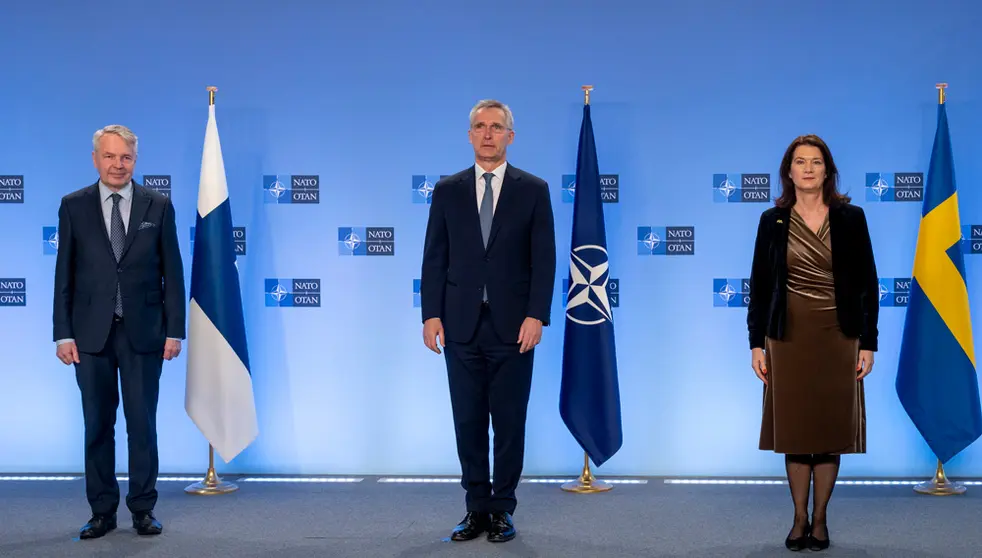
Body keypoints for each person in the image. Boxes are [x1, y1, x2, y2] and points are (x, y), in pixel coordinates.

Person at [420, 99, 556, 543]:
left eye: (496, 127)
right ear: (469, 135)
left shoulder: (532, 189)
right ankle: (475, 508)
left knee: (510, 421)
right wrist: (431, 315)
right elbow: (434, 258)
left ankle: (503, 509)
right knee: (468, 421)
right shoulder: (447, 190)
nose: (487, 134)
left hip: (514, 327)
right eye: (479, 126)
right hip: (460, 326)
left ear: (510, 136)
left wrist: (537, 314)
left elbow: (544, 260)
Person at [747, 134, 879, 552]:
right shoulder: (772, 220)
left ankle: (820, 520)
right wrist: (756, 343)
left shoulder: (851, 218)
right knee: (797, 430)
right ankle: (798, 517)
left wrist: (868, 342)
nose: (808, 169)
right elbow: (761, 286)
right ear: (789, 171)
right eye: (800, 162)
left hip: (839, 336)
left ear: (827, 170)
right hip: (787, 338)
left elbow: (868, 284)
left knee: (827, 429)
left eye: (816, 162)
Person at [53, 125, 186, 539]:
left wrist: (174, 330)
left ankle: (143, 509)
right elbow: (64, 276)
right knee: (97, 424)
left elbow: (174, 274)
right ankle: (102, 512)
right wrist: (63, 334)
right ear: (95, 159)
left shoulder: (158, 205)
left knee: (141, 425)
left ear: (135, 160)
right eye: (109, 157)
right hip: (89, 336)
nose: (117, 165)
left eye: (125, 157)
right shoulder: (73, 206)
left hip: (144, 333)